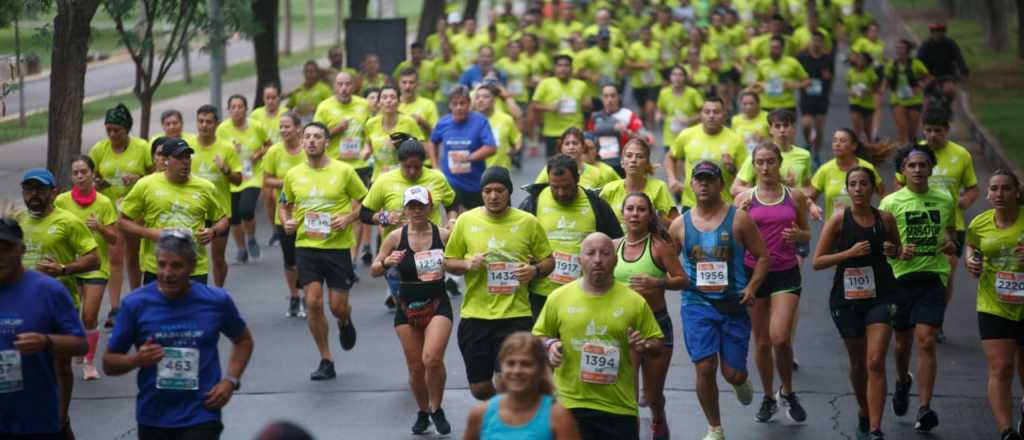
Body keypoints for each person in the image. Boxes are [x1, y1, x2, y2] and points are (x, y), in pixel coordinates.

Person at [104, 232, 254, 440]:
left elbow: (243, 340)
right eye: (161, 264)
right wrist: (135, 360)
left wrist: (230, 381)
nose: (167, 273)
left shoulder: (216, 301)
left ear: (192, 267)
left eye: (176, 266)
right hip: (153, 415)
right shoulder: (135, 304)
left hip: (201, 413)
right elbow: (109, 363)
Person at [670, 161, 769, 440]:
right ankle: (715, 427)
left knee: (731, 373)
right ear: (691, 185)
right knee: (704, 366)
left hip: (733, 304)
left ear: (720, 185)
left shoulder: (739, 219)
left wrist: (752, 287)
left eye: (709, 180)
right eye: (698, 180)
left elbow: (762, 256)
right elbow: (666, 261)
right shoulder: (680, 224)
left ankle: (740, 380)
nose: (703, 185)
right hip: (696, 304)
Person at [533, 232, 664, 440]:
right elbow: (538, 337)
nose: (597, 260)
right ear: (579, 259)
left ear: (615, 260)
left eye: (604, 253)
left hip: (618, 406)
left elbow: (657, 343)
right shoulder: (559, 298)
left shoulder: (634, 301)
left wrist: (644, 346)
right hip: (570, 403)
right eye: (590, 253)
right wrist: (550, 345)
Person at [445, 167, 554, 401]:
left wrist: (534, 270)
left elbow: (549, 260)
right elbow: (448, 262)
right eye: (488, 191)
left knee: (508, 382)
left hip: (515, 315)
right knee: (480, 389)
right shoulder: (466, 221)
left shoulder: (528, 222)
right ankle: (503, 409)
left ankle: (512, 422)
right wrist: (466, 265)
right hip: (476, 316)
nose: (493, 196)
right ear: (481, 193)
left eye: (499, 190)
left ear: (509, 192)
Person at [814, 160, 902, 439]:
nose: (858, 189)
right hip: (847, 298)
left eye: (864, 184)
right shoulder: (839, 220)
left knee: (875, 361)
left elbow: (897, 251)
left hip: (881, 294)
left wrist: (893, 249)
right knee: (857, 364)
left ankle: (876, 427)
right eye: (853, 184)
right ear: (847, 189)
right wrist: (847, 254)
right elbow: (817, 261)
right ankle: (864, 408)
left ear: (873, 188)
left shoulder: (884, 218)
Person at [280, 122, 368, 381]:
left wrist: (349, 218)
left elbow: (366, 203)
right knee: (313, 302)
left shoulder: (344, 171)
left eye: (317, 137)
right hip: (307, 247)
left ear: (327, 142)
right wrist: (288, 221)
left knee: (337, 307)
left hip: (337, 247)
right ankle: (326, 358)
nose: (311, 141)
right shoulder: (294, 174)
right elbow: (285, 203)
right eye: (307, 136)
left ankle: (344, 320)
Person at [732, 143, 812, 424]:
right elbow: (732, 239)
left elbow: (807, 234)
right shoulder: (745, 198)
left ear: (779, 164)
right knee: (763, 342)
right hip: (754, 274)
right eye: (760, 162)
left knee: (780, 338)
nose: (765, 168)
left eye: (770, 162)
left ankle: (787, 391)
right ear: (753, 166)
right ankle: (768, 397)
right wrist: (737, 215)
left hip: (786, 272)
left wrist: (798, 236)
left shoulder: (795, 196)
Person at [16, 168, 100, 435]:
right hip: (21, 305)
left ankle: (61, 420)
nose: (34, 195)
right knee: (24, 364)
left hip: (58, 305)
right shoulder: (17, 222)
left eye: (40, 189)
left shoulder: (68, 221)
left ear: (53, 192)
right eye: (29, 190)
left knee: (60, 364)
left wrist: (63, 269)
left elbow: (94, 258)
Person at [880, 146, 957, 433]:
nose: (917, 170)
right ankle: (902, 381)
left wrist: (950, 244)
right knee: (902, 344)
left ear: (930, 168)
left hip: (933, 276)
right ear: (903, 170)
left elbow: (950, 233)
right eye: (911, 165)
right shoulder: (890, 203)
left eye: (922, 165)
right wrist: (897, 251)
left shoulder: (944, 199)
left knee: (925, 340)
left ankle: (924, 408)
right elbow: (884, 247)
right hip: (900, 279)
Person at [370, 186, 455, 435]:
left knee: (432, 359)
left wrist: (458, 262)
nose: (416, 211)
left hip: (437, 302)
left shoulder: (445, 235)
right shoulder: (395, 237)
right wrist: (387, 262)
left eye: (421, 206)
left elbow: (461, 260)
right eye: (412, 206)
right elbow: (374, 269)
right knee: (416, 367)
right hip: (406, 307)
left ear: (430, 208)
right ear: (405, 209)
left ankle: (437, 408)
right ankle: (423, 410)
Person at [0, 218, 88, 439]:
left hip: (36, 416)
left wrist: (47, 342)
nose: (0, 255)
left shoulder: (49, 291)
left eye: (6, 248)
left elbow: (80, 344)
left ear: (22, 249)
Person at [613, 193, 688, 439]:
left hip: (656, 324)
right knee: (628, 395)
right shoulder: (613, 247)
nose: (635, 214)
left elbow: (682, 280)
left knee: (653, 394)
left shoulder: (659, 246)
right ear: (622, 213)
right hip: (623, 327)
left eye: (641, 209)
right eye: (630, 209)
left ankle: (658, 416)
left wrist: (657, 283)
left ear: (650, 215)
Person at [906, 109, 979, 343]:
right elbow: (899, 184)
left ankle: (936, 320)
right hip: (915, 223)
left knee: (944, 274)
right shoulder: (915, 153)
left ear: (947, 130)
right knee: (915, 272)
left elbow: (973, 188)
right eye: (928, 130)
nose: (932, 135)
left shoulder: (961, 155)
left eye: (937, 130)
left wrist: (964, 201)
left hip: (950, 225)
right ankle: (915, 316)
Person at [519, 154, 624, 317]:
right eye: (555, 187)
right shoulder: (533, 202)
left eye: (566, 187)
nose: (561, 192)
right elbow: (518, 243)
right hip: (542, 295)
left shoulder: (596, 204)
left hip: (585, 293)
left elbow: (618, 242)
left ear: (577, 179)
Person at [362, 137, 458, 309]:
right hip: (398, 251)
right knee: (408, 310)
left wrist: (451, 220)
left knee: (431, 305)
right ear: (399, 163)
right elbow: (364, 213)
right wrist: (384, 217)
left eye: (417, 167)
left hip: (430, 249)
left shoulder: (436, 178)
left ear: (424, 163)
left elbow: (452, 203)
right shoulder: (384, 181)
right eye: (407, 167)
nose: (412, 172)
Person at [118, 138, 229, 286]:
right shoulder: (146, 185)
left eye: (187, 157)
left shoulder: (206, 187)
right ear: (165, 161)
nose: (185, 162)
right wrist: (150, 233)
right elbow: (122, 222)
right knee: (158, 310)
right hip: (158, 267)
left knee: (191, 310)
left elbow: (223, 219)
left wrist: (212, 231)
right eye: (179, 157)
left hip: (194, 269)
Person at [964, 170, 1024, 440]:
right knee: (1001, 367)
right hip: (993, 304)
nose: (1000, 194)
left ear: (1017, 192)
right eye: (995, 189)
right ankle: (1006, 430)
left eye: (1006, 189)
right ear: (988, 194)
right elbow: (973, 247)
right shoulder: (979, 223)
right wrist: (971, 261)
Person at [54, 156, 118, 380]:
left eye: (83, 172)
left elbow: (114, 239)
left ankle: (89, 363)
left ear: (93, 174)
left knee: (90, 316)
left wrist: (99, 227)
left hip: (95, 265)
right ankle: (77, 344)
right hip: (69, 265)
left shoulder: (103, 203)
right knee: (71, 313)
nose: (79, 176)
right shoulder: (61, 201)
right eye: (75, 173)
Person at [91, 103, 153, 330]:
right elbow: (93, 176)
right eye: (109, 129)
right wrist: (98, 182)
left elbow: (154, 174)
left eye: (117, 129)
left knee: (132, 257)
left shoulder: (141, 147)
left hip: (135, 210)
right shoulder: (99, 149)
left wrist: (137, 179)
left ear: (127, 129)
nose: (113, 134)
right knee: (114, 258)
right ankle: (116, 308)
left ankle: (136, 301)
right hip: (110, 210)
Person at [463, 332, 581, 440]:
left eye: (526, 364)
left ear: (540, 369)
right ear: (501, 367)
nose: (517, 371)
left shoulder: (558, 416)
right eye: (510, 363)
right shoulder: (480, 414)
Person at [664, 97, 747, 210]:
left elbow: (746, 176)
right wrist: (672, 179)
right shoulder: (686, 135)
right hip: (691, 204)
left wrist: (732, 168)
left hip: (723, 205)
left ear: (724, 114)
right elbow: (670, 157)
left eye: (716, 112)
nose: (711, 116)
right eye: (707, 112)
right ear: (700, 115)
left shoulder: (736, 140)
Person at [191, 105, 242, 287]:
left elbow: (238, 180)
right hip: (194, 210)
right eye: (201, 121)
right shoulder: (188, 146)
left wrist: (225, 169)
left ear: (216, 124)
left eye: (209, 122)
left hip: (219, 212)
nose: (204, 125)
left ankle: (218, 292)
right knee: (192, 256)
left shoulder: (226, 148)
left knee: (217, 257)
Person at [262, 112, 307, 318]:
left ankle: (308, 295)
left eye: (287, 126)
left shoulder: (307, 150)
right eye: (281, 126)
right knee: (290, 260)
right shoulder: (273, 152)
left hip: (308, 215)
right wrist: (288, 183)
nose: (283, 130)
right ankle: (294, 296)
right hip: (285, 215)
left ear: (298, 128)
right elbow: (267, 180)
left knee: (307, 258)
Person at [217, 94, 271, 264]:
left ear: (246, 109)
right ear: (228, 110)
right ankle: (241, 249)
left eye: (240, 106)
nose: (236, 110)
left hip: (252, 175)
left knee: (246, 209)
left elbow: (269, 144)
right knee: (234, 217)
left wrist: (258, 154)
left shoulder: (256, 126)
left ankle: (252, 237)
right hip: (233, 177)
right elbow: (217, 149)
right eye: (233, 107)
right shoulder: (223, 129)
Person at [431, 85, 497, 214]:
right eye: (455, 104)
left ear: (469, 104)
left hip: (475, 183)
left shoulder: (480, 121)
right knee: (457, 219)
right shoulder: (443, 123)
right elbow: (433, 141)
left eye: (462, 103)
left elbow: (491, 147)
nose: (459, 107)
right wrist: (435, 166)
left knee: (476, 219)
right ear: (449, 106)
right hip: (451, 182)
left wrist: (468, 157)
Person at [600, 138, 679, 229]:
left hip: (650, 241)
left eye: (639, 156)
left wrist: (656, 217)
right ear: (622, 162)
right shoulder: (609, 189)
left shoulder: (659, 187)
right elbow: (598, 223)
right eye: (629, 156)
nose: (633, 160)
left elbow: (677, 225)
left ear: (647, 164)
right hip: (616, 242)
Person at [806, 129, 884, 221]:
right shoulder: (825, 170)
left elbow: (884, 196)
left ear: (853, 146)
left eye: (842, 141)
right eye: (834, 141)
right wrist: (812, 207)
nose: (837, 144)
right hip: (835, 230)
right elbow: (809, 198)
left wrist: (879, 218)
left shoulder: (867, 168)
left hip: (863, 229)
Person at [731, 109, 812, 196]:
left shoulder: (804, 155)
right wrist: (764, 192)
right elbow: (735, 189)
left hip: (793, 207)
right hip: (766, 207)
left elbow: (808, 188)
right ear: (770, 130)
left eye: (786, 125)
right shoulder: (760, 154)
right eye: (777, 126)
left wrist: (794, 190)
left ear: (793, 128)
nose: (782, 130)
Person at [531, 54, 590, 157]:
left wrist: (587, 104)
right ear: (555, 68)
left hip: (575, 131)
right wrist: (550, 107)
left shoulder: (581, 85)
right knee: (554, 167)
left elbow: (588, 105)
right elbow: (534, 105)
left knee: (575, 166)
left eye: (566, 65)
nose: (563, 69)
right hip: (552, 132)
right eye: (559, 65)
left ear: (571, 68)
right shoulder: (545, 83)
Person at [586, 84, 646, 175]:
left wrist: (627, 132)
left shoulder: (628, 115)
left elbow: (644, 140)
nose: (609, 100)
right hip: (599, 163)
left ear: (618, 97)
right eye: (606, 96)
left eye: (613, 96)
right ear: (602, 98)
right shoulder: (594, 117)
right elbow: (589, 140)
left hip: (623, 163)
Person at [534, 128, 619, 191]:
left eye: (575, 143)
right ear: (561, 148)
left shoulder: (596, 173)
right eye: (567, 144)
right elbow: (535, 192)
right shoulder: (550, 170)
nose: (571, 147)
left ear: (583, 147)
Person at [883, 40, 931, 145]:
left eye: (902, 48)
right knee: (902, 128)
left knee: (912, 132)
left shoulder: (915, 64)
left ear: (907, 50)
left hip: (914, 100)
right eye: (897, 48)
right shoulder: (892, 64)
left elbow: (928, 77)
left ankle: (913, 150)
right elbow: (886, 79)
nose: (899, 50)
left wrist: (921, 86)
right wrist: (883, 87)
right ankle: (901, 154)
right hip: (897, 100)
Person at [796, 31, 833, 157]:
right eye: (813, 40)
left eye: (818, 41)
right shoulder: (802, 57)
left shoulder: (827, 58)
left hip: (821, 98)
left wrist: (826, 77)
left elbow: (830, 77)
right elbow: (796, 73)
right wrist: (803, 82)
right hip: (806, 96)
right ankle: (807, 142)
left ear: (822, 43)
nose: (816, 43)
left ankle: (816, 153)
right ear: (810, 42)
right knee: (806, 125)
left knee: (818, 128)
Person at [474, 83, 523, 171]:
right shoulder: (469, 120)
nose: (481, 100)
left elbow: (517, 139)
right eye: (477, 97)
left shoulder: (505, 119)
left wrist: (513, 151)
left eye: (486, 97)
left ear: (494, 100)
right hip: (477, 172)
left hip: (501, 172)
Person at [655, 65, 704, 153]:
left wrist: (689, 120)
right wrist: (659, 116)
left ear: (685, 78)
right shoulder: (664, 93)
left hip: (689, 136)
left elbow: (704, 112)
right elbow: (659, 111)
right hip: (670, 137)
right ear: (670, 77)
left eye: (680, 75)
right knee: (671, 164)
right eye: (674, 74)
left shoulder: (692, 93)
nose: (677, 78)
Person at [755, 36, 809, 113]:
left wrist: (795, 85)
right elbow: (754, 84)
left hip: (787, 105)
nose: (773, 50)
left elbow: (807, 81)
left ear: (782, 49)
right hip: (766, 105)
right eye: (771, 47)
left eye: (776, 48)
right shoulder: (761, 63)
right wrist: (761, 85)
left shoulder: (792, 62)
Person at [916, 23, 969, 97]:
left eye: (939, 32)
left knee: (948, 90)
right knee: (923, 92)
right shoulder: (925, 45)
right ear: (931, 33)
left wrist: (964, 71)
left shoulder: (951, 44)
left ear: (944, 33)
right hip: (929, 74)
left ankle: (946, 106)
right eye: (934, 32)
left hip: (947, 74)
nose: (937, 34)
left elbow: (959, 58)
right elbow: (918, 60)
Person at [626, 26, 662, 127]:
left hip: (654, 82)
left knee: (649, 108)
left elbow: (662, 62)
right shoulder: (634, 47)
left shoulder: (657, 46)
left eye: (648, 35)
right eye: (644, 35)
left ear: (651, 35)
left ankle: (651, 129)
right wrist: (641, 65)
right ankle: (643, 128)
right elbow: (629, 64)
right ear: (640, 36)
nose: (646, 37)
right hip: (639, 83)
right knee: (642, 110)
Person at [397, 68, 441, 144]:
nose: (407, 86)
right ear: (399, 84)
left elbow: (438, 136)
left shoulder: (428, 104)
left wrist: (423, 123)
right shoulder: (392, 104)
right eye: (404, 82)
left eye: (411, 82)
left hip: (422, 152)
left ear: (418, 84)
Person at [847, 51, 881, 144]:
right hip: (855, 103)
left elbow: (877, 89)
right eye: (859, 59)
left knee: (867, 132)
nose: (860, 61)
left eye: (863, 60)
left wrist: (867, 92)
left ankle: (869, 150)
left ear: (867, 62)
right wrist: (851, 92)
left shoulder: (870, 73)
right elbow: (849, 86)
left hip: (868, 104)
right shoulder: (851, 72)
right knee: (857, 130)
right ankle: (857, 151)